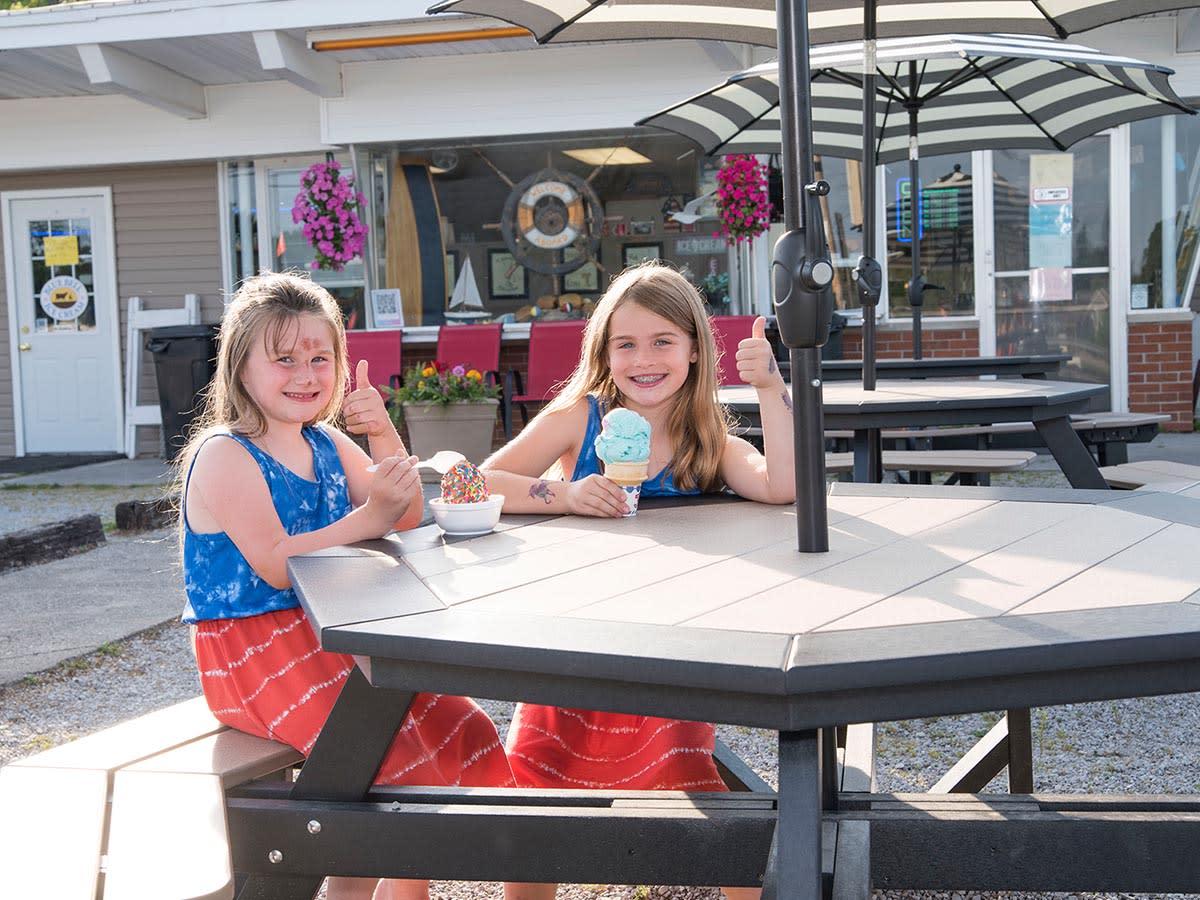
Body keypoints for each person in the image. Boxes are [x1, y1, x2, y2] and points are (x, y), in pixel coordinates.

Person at [176, 272, 514, 900]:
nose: (306, 374)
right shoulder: (224, 454)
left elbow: (408, 513)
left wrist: (381, 434)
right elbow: (277, 564)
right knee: (389, 767)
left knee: (464, 729)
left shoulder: (327, 442)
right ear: (241, 369)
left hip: (332, 637)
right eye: (284, 359)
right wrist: (367, 520)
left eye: (319, 357)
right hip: (254, 650)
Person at [480, 262, 794, 900]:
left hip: (666, 650)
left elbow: (782, 486)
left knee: (688, 777)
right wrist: (564, 493)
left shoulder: (707, 440)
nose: (644, 359)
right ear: (603, 352)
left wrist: (770, 389)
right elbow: (477, 481)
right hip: (577, 637)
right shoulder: (581, 418)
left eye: (662, 342)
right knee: (537, 790)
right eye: (626, 344)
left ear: (695, 351)